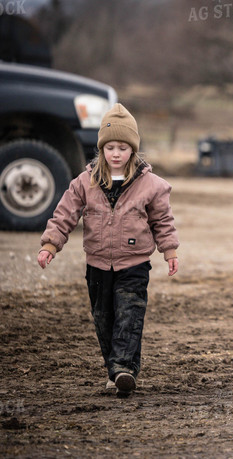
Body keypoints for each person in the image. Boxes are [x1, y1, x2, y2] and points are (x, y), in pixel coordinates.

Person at [37, 103, 179, 398]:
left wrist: (170, 251)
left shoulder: (151, 186)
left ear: (133, 150)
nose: (116, 153)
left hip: (135, 264)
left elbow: (163, 221)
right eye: (110, 147)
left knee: (130, 315)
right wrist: (51, 245)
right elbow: (64, 214)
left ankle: (125, 369)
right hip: (97, 265)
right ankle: (114, 371)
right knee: (104, 319)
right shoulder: (84, 183)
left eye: (123, 148)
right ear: (101, 149)